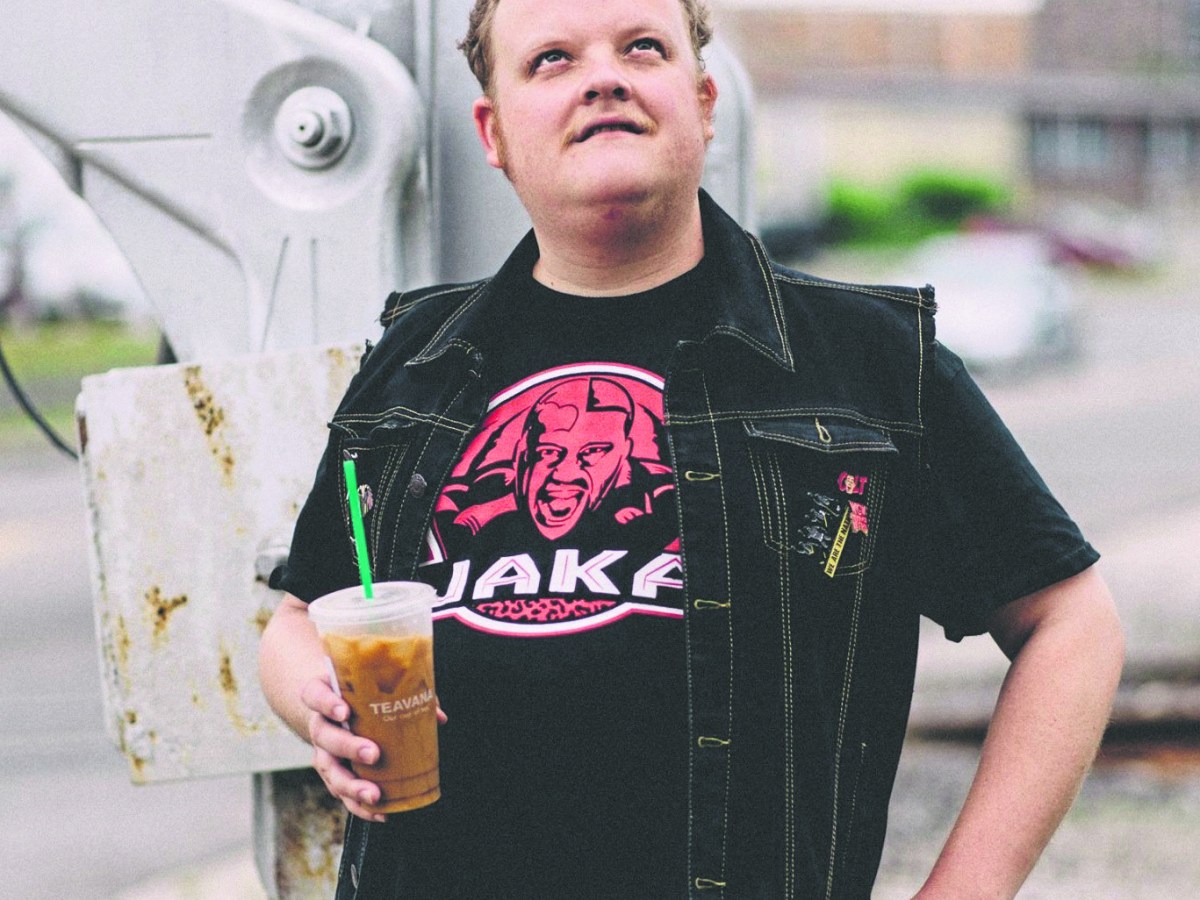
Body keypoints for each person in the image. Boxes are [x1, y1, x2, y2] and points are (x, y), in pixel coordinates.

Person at [258, 0, 1125, 896]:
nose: (603, 77)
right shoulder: (414, 357)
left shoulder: (865, 362)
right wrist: (318, 701)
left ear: (704, 103)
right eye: (552, 59)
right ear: (495, 132)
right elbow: (299, 619)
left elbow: (1072, 625)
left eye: (642, 47)